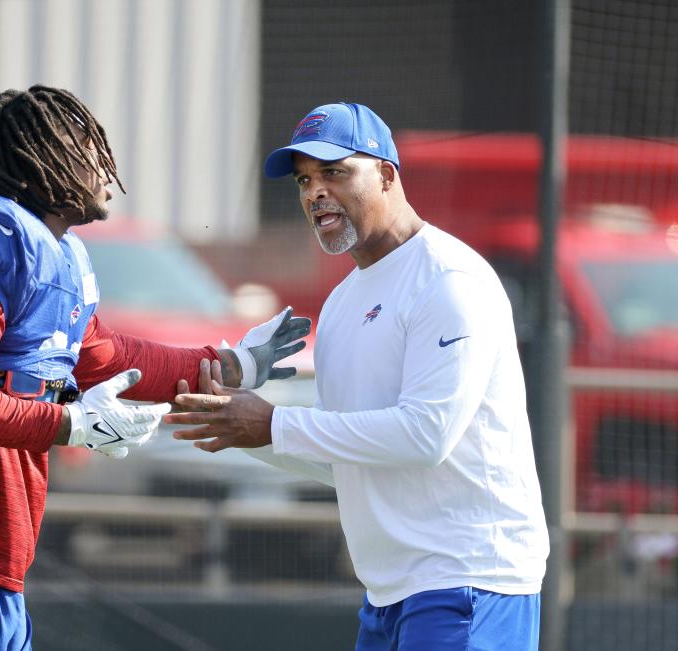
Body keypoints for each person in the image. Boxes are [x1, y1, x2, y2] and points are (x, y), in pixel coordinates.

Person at [0, 85, 310, 650]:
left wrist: (232, 363)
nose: (102, 163)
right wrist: (69, 424)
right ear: (34, 161)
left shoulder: (51, 251)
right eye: (83, 145)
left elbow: (108, 357)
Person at [166, 102, 549, 650]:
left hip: (471, 582)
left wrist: (273, 424)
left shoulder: (450, 280)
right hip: (389, 594)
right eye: (304, 180)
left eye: (335, 172)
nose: (314, 192)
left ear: (388, 175)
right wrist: (236, 428)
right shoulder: (343, 303)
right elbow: (348, 460)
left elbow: (425, 436)